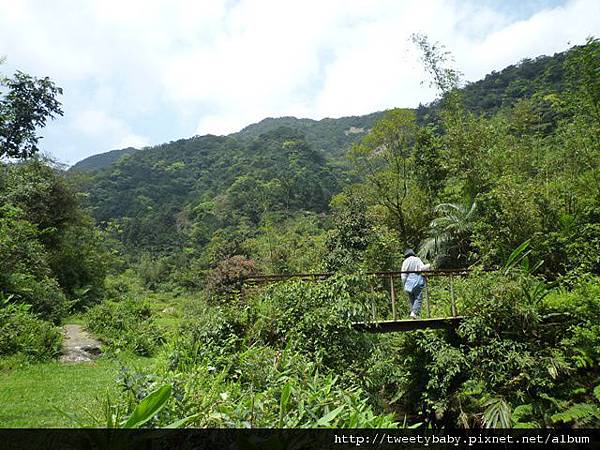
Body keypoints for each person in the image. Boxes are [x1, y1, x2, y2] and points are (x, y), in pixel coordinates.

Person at [401, 249, 430, 319]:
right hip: (416, 281)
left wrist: (404, 284)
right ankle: (414, 313)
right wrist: (428, 265)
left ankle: (414, 315)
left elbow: (403, 274)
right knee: (418, 298)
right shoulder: (416, 259)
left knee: (412, 299)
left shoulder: (405, 262)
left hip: (408, 282)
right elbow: (422, 268)